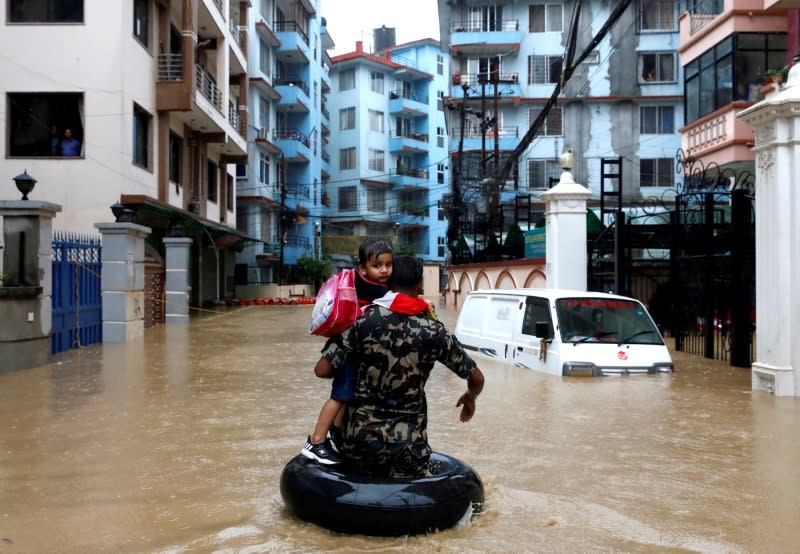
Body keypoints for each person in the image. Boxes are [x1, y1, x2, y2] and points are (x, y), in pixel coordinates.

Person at [313, 255, 485, 478]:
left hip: (357, 448)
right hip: (409, 453)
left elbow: (322, 369)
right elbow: (477, 378)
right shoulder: (435, 331)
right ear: (421, 285)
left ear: (387, 284)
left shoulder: (362, 321)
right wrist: (470, 397)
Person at [300, 237, 394, 464]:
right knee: (340, 395)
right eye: (377, 265)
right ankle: (317, 441)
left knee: (347, 394)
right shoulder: (372, 288)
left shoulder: (360, 280)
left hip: (350, 350)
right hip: (348, 351)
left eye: (388, 265)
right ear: (363, 268)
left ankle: (335, 435)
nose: (384, 271)